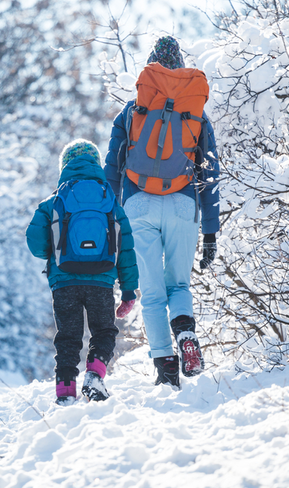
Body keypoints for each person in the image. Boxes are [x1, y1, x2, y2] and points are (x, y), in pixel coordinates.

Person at [103, 35, 220, 390]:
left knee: (152, 294)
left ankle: (167, 371)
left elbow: (112, 167)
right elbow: (210, 173)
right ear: (181, 67)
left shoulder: (131, 110)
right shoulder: (196, 112)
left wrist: (111, 223)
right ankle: (186, 334)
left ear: (151, 67)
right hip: (184, 203)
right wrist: (211, 231)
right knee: (179, 284)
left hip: (138, 204)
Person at [26, 139, 139, 405]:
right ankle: (94, 374)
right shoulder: (109, 200)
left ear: (64, 165)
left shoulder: (54, 201)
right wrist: (129, 290)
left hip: (64, 280)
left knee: (67, 337)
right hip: (102, 280)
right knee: (104, 331)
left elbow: (34, 241)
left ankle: (65, 391)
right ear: (96, 164)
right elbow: (126, 249)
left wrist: (53, 251)